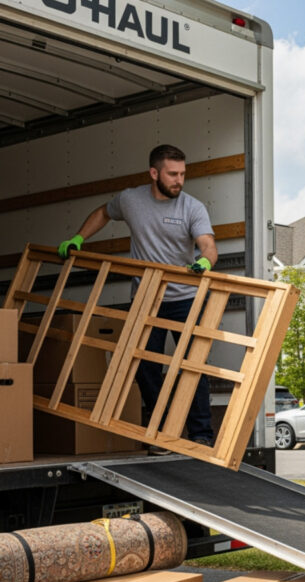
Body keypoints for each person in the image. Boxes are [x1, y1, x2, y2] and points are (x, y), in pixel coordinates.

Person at [58, 144, 218, 453]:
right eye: (173, 174)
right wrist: (79, 237)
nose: (179, 180)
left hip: (186, 298)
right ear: (154, 173)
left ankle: (201, 434)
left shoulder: (192, 207)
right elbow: (104, 212)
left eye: (183, 174)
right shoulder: (131, 201)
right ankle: (162, 430)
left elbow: (208, 244)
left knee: (193, 366)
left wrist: (205, 262)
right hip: (146, 298)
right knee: (144, 367)